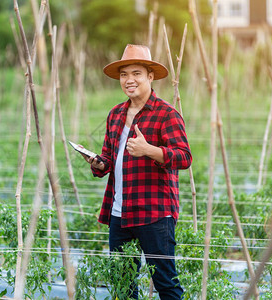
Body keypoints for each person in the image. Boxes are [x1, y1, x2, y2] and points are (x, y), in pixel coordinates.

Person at [81, 44, 192, 299]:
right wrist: (99, 163)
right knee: (123, 285)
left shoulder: (166, 115)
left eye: (136, 73)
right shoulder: (116, 114)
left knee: (166, 283)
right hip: (119, 213)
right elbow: (109, 157)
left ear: (150, 76)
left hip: (154, 214)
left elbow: (185, 157)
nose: (129, 80)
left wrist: (149, 150)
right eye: (123, 75)